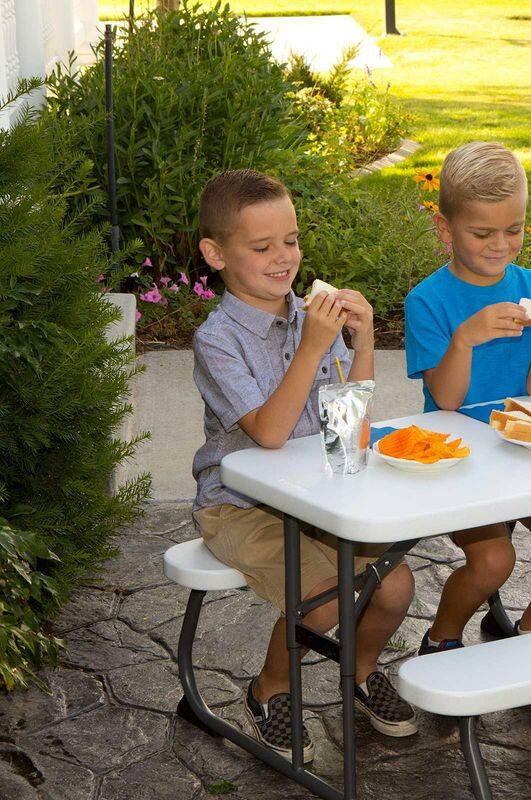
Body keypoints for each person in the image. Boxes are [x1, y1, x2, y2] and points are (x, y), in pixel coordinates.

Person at [191, 169, 418, 762]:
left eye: (290, 241)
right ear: (215, 255)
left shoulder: (308, 316)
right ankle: (271, 689)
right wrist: (315, 346)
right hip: (240, 505)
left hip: (317, 493)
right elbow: (267, 433)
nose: (283, 257)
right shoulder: (217, 340)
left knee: (395, 587)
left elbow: (350, 428)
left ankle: (359, 672)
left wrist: (363, 342)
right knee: (327, 600)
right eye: (261, 247)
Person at [404, 142, 531, 655]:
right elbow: (446, 400)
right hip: (460, 454)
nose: (500, 245)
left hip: (521, 446)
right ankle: (440, 638)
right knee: (494, 561)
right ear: (445, 231)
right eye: (482, 233)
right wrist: (465, 338)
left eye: (513, 230)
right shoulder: (428, 300)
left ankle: (528, 632)